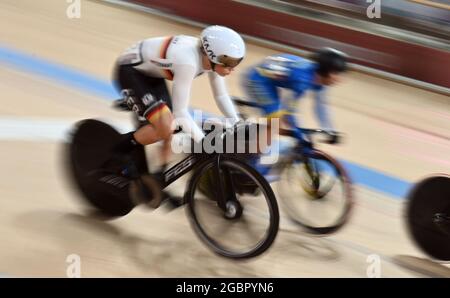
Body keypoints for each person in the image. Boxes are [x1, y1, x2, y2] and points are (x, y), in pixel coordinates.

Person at [107, 25, 246, 205]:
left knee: (170, 127)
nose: (232, 68)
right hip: (130, 71)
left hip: (152, 74)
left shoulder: (211, 61)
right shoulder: (188, 62)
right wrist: (203, 141)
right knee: (165, 126)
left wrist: (237, 122)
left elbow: (221, 95)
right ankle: (119, 151)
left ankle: (158, 179)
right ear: (212, 56)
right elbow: (182, 112)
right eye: (230, 63)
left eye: (236, 62)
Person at [239, 48, 348, 176]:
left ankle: (259, 142)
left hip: (271, 82)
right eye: (337, 73)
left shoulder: (319, 79)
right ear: (326, 71)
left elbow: (320, 107)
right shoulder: (302, 79)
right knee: (275, 122)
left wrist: (329, 129)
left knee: (282, 122)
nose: (339, 79)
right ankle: (248, 165)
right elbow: (289, 111)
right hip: (257, 80)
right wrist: (297, 132)